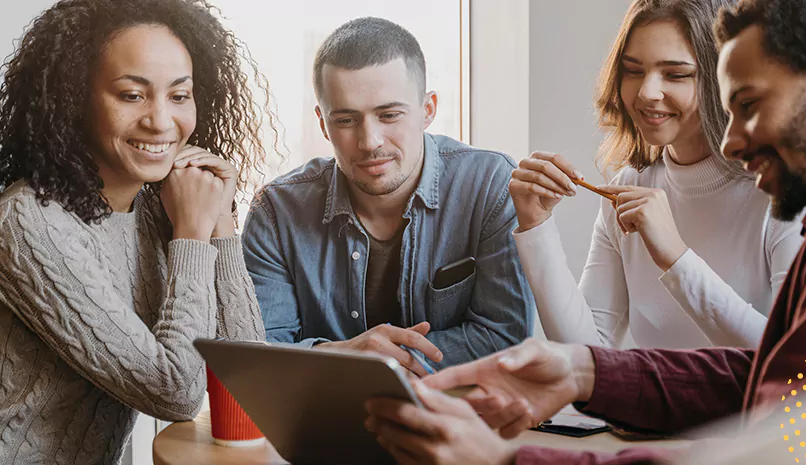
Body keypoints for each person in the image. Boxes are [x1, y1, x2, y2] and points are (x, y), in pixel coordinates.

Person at [364, 0, 806, 463]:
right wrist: (584, 371)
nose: (734, 141)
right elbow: (781, 377)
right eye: (633, 69)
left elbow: (803, 439)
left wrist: (510, 461)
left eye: (750, 104)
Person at [0, 0, 275, 463]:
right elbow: (175, 393)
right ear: (74, 98)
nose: (161, 121)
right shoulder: (27, 222)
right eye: (132, 95)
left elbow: (247, 375)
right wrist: (190, 232)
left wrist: (218, 220)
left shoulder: (157, 203)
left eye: (179, 94)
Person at [241, 17, 535, 373]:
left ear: (428, 110)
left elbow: (505, 338)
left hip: (459, 417)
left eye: (389, 115)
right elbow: (261, 352)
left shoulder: (490, 184)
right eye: (346, 120)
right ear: (322, 123)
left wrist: (377, 360)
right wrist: (349, 354)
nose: (370, 142)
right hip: (318, 422)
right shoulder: (276, 211)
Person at [509, 0, 804, 349]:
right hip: (650, 405)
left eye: (676, 74)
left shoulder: (785, 194)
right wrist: (536, 227)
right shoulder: (627, 189)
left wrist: (676, 258)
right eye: (633, 71)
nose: (647, 93)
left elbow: (791, 356)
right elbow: (586, 353)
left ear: (724, 80)